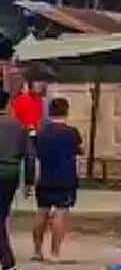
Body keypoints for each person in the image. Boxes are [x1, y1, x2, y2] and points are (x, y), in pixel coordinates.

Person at [32, 97, 82, 263]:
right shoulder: (72, 133)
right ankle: (54, 252)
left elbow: (36, 155)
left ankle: (37, 250)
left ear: (50, 111)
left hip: (45, 177)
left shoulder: (41, 132)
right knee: (60, 212)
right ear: (66, 111)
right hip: (65, 177)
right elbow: (79, 152)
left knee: (42, 211)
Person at [0, 89, 32, 270]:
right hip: (11, 173)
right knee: (2, 213)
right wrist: (28, 181)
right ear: (7, 104)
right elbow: (29, 155)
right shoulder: (19, 126)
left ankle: (6, 256)